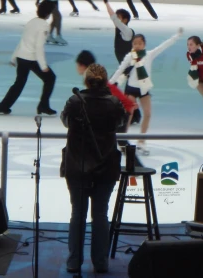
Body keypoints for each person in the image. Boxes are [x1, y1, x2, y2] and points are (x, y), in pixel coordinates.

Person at [60, 63, 126, 274]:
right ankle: (100, 262)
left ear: (86, 81)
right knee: (100, 215)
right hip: (105, 167)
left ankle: (73, 262)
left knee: (77, 213)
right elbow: (120, 124)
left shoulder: (75, 102)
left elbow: (65, 121)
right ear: (105, 81)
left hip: (77, 167)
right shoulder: (114, 103)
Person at [109, 28, 183, 155]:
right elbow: (120, 70)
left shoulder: (149, 55)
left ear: (144, 44)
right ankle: (123, 141)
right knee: (128, 115)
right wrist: (109, 84)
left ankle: (141, 141)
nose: (137, 46)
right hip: (131, 89)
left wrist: (176, 36)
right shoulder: (129, 56)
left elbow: (163, 46)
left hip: (144, 89)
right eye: (135, 43)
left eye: (139, 43)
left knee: (148, 114)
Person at [0, 0, 57, 115]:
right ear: (48, 13)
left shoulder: (31, 22)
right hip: (31, 58)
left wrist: (14, 57)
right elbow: (39, 46)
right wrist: (43, 66)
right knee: (50, 78)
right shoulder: (44, 26)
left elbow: (22, 40)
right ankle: (43, 105)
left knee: (19, 84)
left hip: (22, 57)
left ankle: (2, 107)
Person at [75, 51, 137, 117]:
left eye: (78, 64)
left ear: (82, 65)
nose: (76, 67)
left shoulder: (95, 83)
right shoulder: (98, 79)